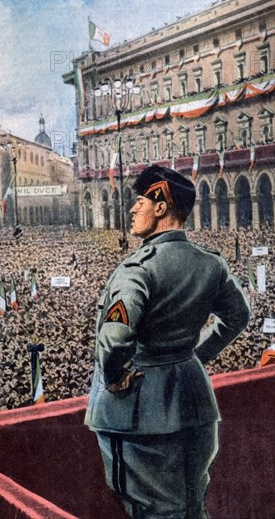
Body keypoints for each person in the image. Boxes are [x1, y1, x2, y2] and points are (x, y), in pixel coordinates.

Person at [85, 165, 251, 518]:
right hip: (194, 401)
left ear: (161, 207)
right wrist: (195, 355)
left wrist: (114, 378)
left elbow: (114, 340)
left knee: (155, 512)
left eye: (141, 201)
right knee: (191, 508)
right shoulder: (211, 264)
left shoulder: (138, 269)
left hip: (137, 414)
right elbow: (238, 316)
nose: (132, 209)